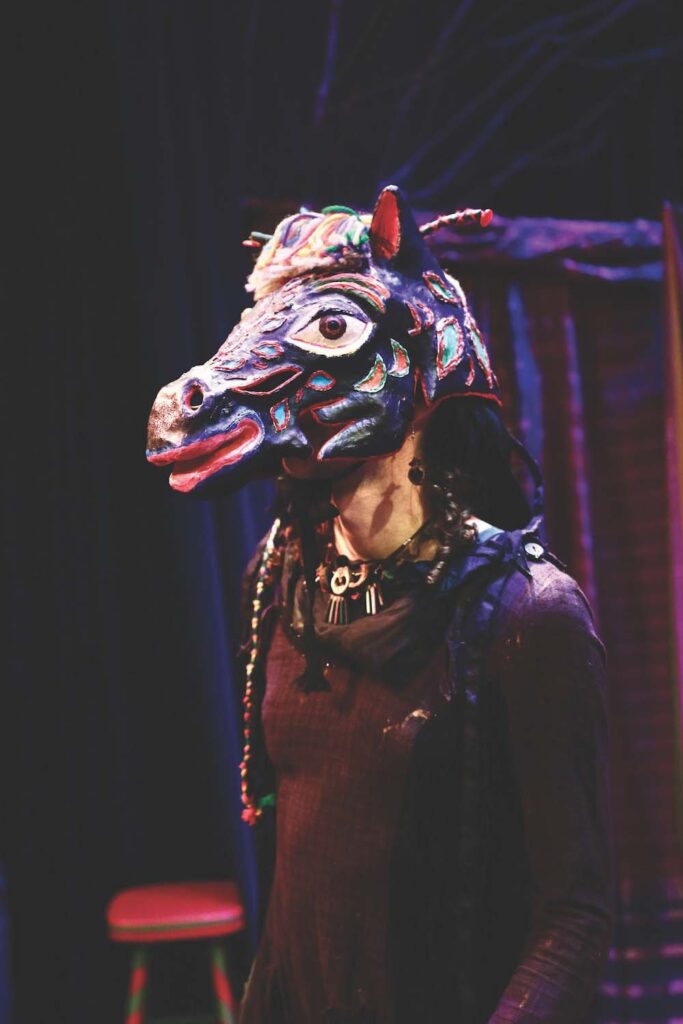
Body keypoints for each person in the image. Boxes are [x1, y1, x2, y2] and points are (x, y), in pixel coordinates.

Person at [146, 188, 613, 1023]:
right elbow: (294, 894)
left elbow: (572, 916)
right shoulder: (276, 579)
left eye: (333, 328)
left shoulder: (526, 614)